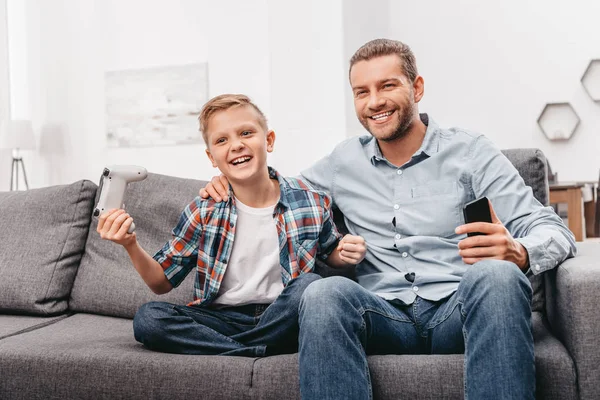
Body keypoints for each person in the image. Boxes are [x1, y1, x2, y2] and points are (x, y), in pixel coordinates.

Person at [200, 40, 577, 399]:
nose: (374, 102)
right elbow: (278, 192)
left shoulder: (470, 152)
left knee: (498, 275)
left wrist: (520, 251)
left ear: (417, 87)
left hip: (457, 310)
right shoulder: (343, 162)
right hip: (382, 315)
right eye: (361, 92)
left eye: (387, 86)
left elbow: (553, 231)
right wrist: (229, 181)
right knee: (322, 293)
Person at [97, 94, 367, 357]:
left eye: (246, 133)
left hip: (284, 313)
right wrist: (130, 244)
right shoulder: (204, 210)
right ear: (212, 157)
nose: (236, 145)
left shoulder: (310, 200)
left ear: (268, 140)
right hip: (222, 317)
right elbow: (161, 282)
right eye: (222, 140)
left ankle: (236, 347)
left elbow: (330, 251)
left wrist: (343, 254)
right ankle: (259, 348)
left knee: (309, 284)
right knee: (149, 318)